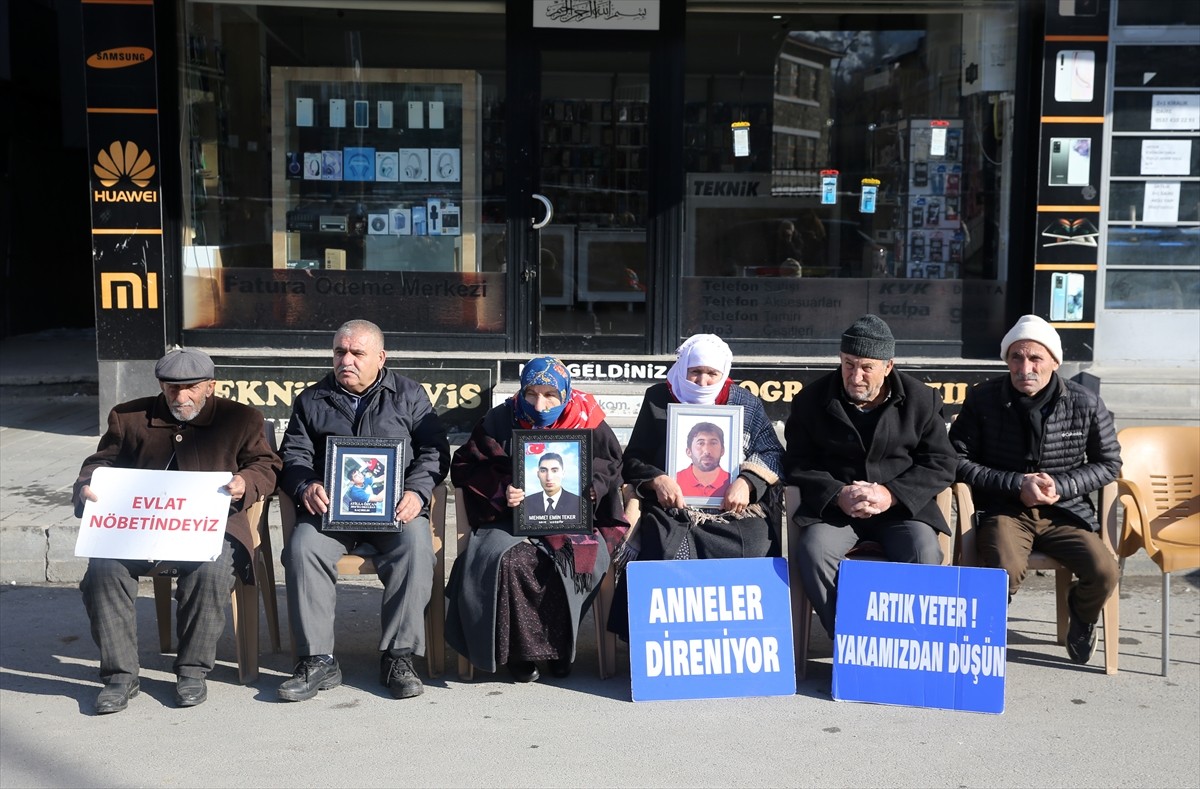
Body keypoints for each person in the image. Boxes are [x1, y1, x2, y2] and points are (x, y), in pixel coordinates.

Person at [73, 348, 280, 714]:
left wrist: (244, 482)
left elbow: (266, 465)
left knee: (210, 570)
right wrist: (87, 487)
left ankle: (192, 671)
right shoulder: (128, 417)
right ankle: (120, 676)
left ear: (211, 386)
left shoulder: (242, 418)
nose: (180, 397)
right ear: (160, 386)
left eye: (190, 388)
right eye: (171, 389)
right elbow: (99, 464)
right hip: (138, 525)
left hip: (211, 526)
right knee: (103, 569)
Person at [277, 319, 449, 702]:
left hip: (393, 511)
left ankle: (398, 657)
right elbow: (293, 455)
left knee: (417, 547)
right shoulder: (311, 399)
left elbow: (434, 452)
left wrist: (418, 493)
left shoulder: (409, 395)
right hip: (331, 512)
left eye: (357, 353)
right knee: (303, 547)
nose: (346, 360)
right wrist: (305, 485)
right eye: (340, 352)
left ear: (381, 357)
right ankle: (318, 659)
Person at [948, 314, 1122, 665]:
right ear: (1006, 360)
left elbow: (1110, 464)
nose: (1024, 367)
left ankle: (1082, 616)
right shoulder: (983, 400)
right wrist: (1016, 484)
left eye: (1035, 358)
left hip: (1065, 511)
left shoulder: (1085, 402)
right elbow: (955, 460)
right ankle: (982, 636)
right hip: (1005, 509)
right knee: (1004, 569)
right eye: (1016, 357)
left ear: (1054, 362)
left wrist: (1062, 485)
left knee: (1104, 570)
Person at [446, 356, 628, 682]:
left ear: (566, 394)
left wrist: (592, 488)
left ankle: (559, 651)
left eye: (550, 395)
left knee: (574, 557)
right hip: (509, 518)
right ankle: (520, 653)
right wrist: (503, 490)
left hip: (574, 519)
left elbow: (612, 464)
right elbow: (465, 466)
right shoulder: (501, 418)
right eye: (531, 394)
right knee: (511, 560)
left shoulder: (587, 418)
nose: (540, 404)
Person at [783, 314, 956, 638]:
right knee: (814, 551)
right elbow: (796, 462)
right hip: (835, 511)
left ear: (888, 366)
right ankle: (850, 640)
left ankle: (906, 641)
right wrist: (837, 494)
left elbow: (941, 462)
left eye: (866, 367)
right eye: (848, 364)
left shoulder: (922, 400)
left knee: (924, 553)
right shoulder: (811, 400)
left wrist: (891, 494)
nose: (856, 376)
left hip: (901, 509)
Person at [622, 334, 784, 563]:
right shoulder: (658, 398)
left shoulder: (744, 402)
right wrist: (657, 480)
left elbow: (772, 453)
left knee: (758, 542)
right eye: (695, 371)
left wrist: (747, 482)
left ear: (723, 372)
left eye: (712, 373)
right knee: (665, 544)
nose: (702, 381)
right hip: (672, 508)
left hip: (732, 509)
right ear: (683, 368)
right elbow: (635, 457)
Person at [675, 421, 732, 498]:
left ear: (722, 450)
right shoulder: (674, 480)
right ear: (689, 451)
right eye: (700, 443)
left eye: (713, 443)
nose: (707, 451)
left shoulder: (732, 482)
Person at [522, 452, 583, 522]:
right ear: (538, 474)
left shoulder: (578, 503)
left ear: (563, 473)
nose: (549, 477)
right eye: (543, 471)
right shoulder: (527, 503)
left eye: (554, 471)